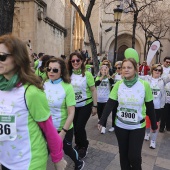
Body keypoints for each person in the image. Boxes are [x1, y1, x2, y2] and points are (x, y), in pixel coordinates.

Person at [0, 34, 67, 170]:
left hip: (30, 163)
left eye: (2, 56)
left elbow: (49, 130)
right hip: (6, 162)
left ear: (17, 58)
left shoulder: (31, 92)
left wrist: (57, 158)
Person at [98, 58, 157, 170]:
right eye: (124, 67)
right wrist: (102, 120)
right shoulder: (118, 84)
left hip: (137, 127)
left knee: (134, 157)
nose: (126, 70)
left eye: (129, 67)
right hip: (121, 126)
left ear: (135, 69)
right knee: (123, 156)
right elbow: (110, 104)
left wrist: (154, 124)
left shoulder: (144, 85)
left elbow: (150, 106)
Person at [44, 57, 85, 170]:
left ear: (61, 71)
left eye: (55, 70)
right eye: (49, 69)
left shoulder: (67, 87)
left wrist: (63, 132)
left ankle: (79, 162)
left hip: (63, 127)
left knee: (67, 149)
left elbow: (72, 113)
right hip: (48, 128)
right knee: (44, 151)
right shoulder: (44, 84)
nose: (51, 72)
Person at [68, 52, 97, 159]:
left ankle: (84, 145)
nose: (75, 62)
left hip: (85, 104)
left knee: (80, 126)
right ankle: (78, 144)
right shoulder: (68, 74)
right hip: (72, 106)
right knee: (75, 127)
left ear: (82, 61)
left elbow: (93, 90)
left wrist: (95, 106)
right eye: (73, 61)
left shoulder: (87, 74)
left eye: (78, 60)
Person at [140, 64, 170, 148]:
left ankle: (153, 141)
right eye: (156, 69)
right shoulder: (146, 78)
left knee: (155, 123)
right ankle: (147, 133)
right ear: (152, 70)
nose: (157, 71)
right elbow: (136, 77)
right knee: (147, 121)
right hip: (147, 106)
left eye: (159, 70)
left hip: (158, 107)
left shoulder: (163, 80)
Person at [95, 65, 114, 134]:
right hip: (99, 99)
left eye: (105, 69)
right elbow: (96, 84)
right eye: (102, 69)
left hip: (106, 99)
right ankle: (100, 122)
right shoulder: (98, 77)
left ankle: (104, 127)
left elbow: (112, 83)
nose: (104, 71)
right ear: (100, 71)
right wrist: (102, 76)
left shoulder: (109, 78)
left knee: (104, 114)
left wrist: (108, 75)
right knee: (99, 114)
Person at [109, 61, 123, 132]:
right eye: (116, 68)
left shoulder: (124, 76)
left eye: (119, 68)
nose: (117, 69)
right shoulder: (114, 75)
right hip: (115, 97)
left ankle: (120, 125)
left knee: (120, 112)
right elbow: (111, 83)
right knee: (114, 111)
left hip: (122, 98)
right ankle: (113, 126)